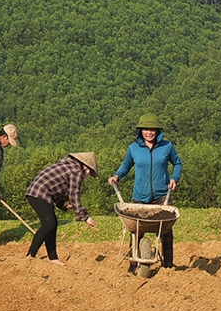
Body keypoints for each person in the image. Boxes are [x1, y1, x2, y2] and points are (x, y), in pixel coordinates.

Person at [108, 113, 182, 269]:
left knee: (166, 231)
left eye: (152, 129)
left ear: (158, 131)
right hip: (140, 196)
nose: (149, 132)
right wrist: (116, 176)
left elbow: (177, 163)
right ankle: (133, 264)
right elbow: (126, 166)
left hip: (162, 195)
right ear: (140, 130)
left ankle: (168, 265)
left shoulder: (166, 146)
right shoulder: (134, 148)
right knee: (136, 231)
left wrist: (174, 178)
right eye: (146, 129)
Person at [26, 152, 98, 265]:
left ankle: (53, 257)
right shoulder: (77, 172)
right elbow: (74, 194)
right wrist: (85, 217)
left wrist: (64, 204)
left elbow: (59, 188)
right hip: (40, 193)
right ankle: (30, 255)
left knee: (52, 225)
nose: (88, 176)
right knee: (49, 224)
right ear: (86, 167)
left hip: (36, 192)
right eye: (90, 172)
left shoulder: (68, 165)